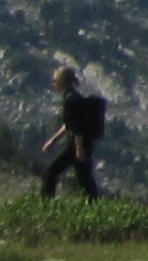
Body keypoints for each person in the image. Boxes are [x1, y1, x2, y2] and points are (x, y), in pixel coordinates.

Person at [39, 64, 108, 199]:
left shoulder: (70, 100)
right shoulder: (74, 97)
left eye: (55, 80)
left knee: (51, 172)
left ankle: (45, 204)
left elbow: (77, 127)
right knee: (85, 179)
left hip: (77, 144)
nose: (53, 82)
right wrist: (53, 141)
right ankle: (94, 205)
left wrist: (78, 148)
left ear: (62, 81)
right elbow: (69, 124)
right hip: (83, 143)